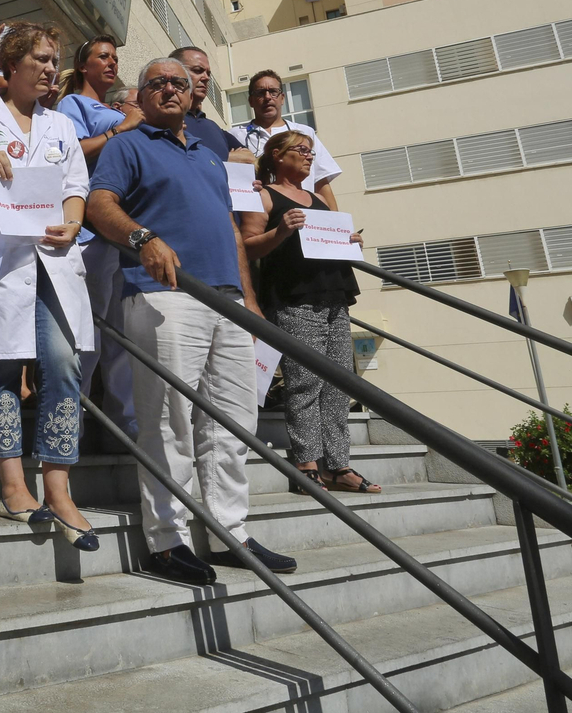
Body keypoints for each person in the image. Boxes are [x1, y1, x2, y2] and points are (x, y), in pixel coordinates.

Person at [87, 57, 298, 585]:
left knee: (232, 424)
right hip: (164, 296)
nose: (169, 90)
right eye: (155, 83)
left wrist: (249, 300)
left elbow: (230, 229)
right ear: (141, 95)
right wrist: (142, 238)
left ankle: (231, 532)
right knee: (169, 422)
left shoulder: (210, 154)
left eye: (178, 84)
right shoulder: (127, 145)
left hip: (226, 302)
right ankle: (167, 539)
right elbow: (98, 204)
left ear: (191, 95)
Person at [0, 24, 97, 550]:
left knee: (62, 363)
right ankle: (14, 485)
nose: (50, 67)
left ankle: (58, 488)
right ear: (10, 66)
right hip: (1, 261)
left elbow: (76, 186)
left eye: (54, 59)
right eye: (39, 58)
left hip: (54, 258)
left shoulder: (60, 126)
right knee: (1, 365)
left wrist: (74, 222)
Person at [239, 132, 378, 495]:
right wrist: (282, 231)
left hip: (333, 294)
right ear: (276, 156)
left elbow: (328, 240)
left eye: (309, 151)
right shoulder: (265, 195)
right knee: (304, 382)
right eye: (300, 150)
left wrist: (349, 242)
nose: (308, 156)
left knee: (339, 384)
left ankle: (338, 465)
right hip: (293, 297)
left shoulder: (317, 198)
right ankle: (306, 464)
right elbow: (249, 246)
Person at [55, 36, 143, 443]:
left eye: (114, 58)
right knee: (85, 334)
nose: (111, 63)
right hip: (89, 233)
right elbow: (68, 153)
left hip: (122, 238)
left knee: (119, 337)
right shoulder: (73, 105)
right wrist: (120, 130)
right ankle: (71, 419)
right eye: (102, 57)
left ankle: (123, 423)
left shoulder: (118, 107)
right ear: (83, 64)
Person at [232, 69, 341, 209]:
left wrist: (338, 226)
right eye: (260, 93)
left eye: (273, 92)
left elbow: (321, 183)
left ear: (282, 98)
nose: (267, 97)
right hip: (259, 213)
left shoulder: (305, 133)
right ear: (251, 101)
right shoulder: (235, 135)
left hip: (305, 214)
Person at [169, 46, 255, 166]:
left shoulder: (213, 127)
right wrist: (226, 158)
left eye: (208, 73)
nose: (206, 77)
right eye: (198, 70)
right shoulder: (163, 121)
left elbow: (249, 159)